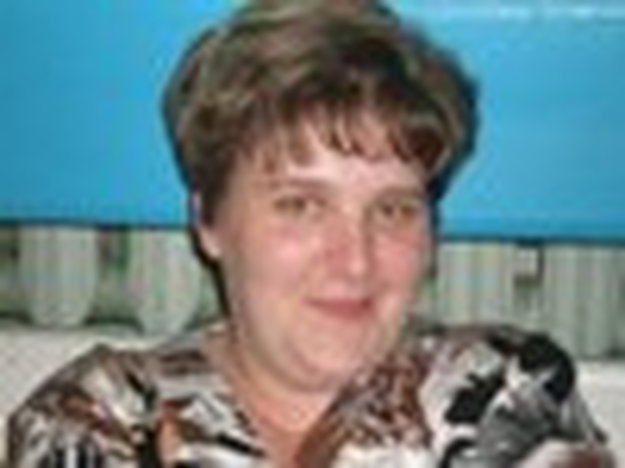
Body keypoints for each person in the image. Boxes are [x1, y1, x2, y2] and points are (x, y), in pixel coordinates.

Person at [7, 0, 614, 466]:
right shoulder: (98, 421)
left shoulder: (503, 395)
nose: (355, 262)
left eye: (393, 209)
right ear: (208, 219)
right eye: (300, 205)